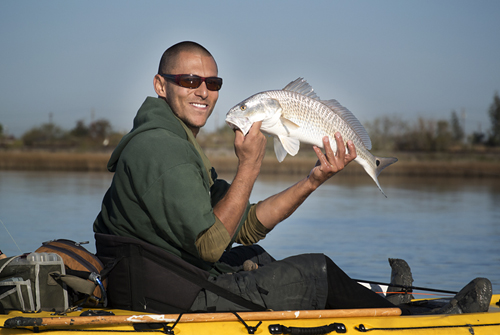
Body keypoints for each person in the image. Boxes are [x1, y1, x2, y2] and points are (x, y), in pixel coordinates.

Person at [93, 41, 491, 314]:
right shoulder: (161, 148)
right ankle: (411, 318)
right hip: (170, 302)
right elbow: (212, 244)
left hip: (175, 282)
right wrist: (250, 167)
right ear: (161, 85)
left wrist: (313, 179)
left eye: (213, 83)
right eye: (189, 81)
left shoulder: (175, 142)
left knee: (253, 256)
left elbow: (243, 225)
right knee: (312, 272)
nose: (205, 92)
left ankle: (391, 308)